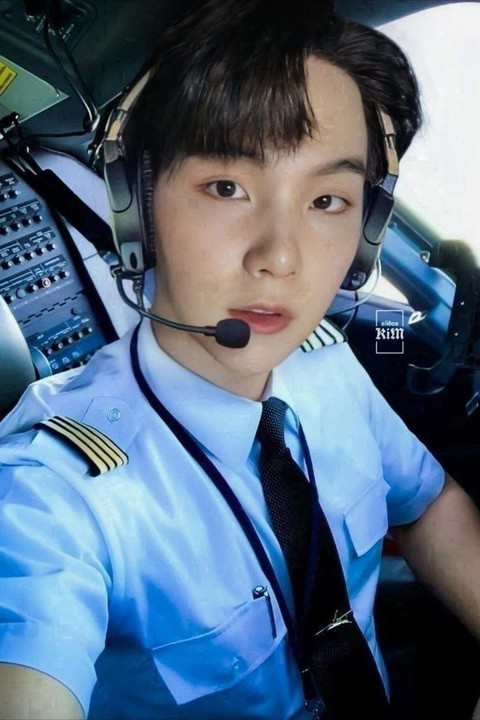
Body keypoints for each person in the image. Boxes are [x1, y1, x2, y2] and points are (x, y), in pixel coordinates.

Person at [0, 0, 479, 718]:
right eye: (227, 188)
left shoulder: (329, 367)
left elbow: (428, 504)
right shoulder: (53, 490)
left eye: (328, 199)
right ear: (138, 208)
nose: (280, 257)